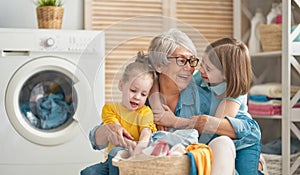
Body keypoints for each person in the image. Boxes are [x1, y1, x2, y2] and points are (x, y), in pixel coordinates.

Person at [87, 28, 237, 175]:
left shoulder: (204, 97)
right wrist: (108, 130)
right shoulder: (141, 95)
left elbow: (248, 130)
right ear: (159, 65)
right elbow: (96, 140)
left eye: (192, 61)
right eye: (181, 60)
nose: (189, 68)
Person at [191, 37, 262, 175]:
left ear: (226, 75)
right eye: (202, 63)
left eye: (209, 68)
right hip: (219, 138)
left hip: (243, 142)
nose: (202, 70)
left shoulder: (235, 89)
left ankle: (259, 168)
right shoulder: (200, 76)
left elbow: (218, 124)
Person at [80, 55, 157, 175]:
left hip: (133, 157)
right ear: (121, 85)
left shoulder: (145, 112)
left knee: (116, 151)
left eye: (143, 94)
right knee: (88, 172)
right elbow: (116, 129)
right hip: (112, 161)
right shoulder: (110, 109)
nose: (137, 97)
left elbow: (146, 134)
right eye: (133, 90)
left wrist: (138, 151)